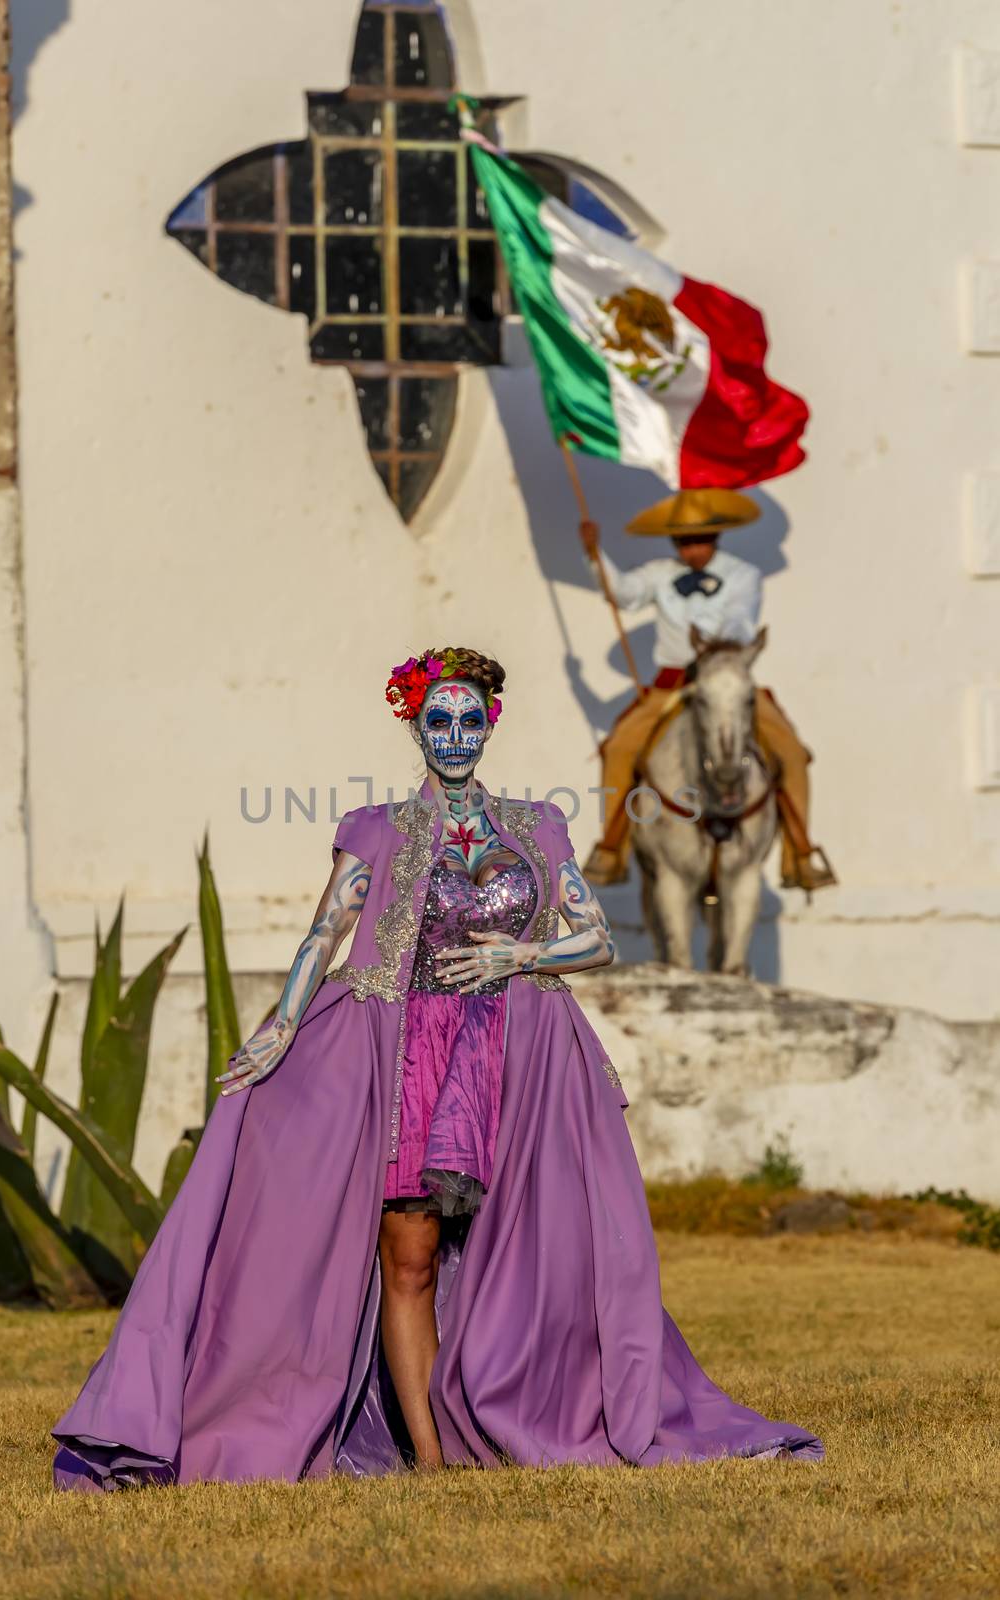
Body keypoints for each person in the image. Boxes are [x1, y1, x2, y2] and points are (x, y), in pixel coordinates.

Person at [52, 646, 822, 1488]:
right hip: (404, 1061)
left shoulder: (537, 826)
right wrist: (277, 1028)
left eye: (468, 719)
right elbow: (326, 936)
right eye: (436, 720)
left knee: (540, 1256)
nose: (453, 735)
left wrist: (519, 955)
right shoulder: (375, 830)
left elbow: (596, 938)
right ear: (414, 727)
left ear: (490, 723)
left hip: (519, 1058)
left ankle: (518, 1411)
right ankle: (426, 1455)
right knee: (409, 1257)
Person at [580, 488, 836, 893]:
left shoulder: (743, 574)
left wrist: (711, 647)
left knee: (791, 752)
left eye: (699, 539)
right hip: (673, 685)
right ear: (673, 542)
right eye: (683, 541)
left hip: (725, 681)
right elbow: (624, 594)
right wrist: (597, 556)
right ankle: (612, 848)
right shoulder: (661, 573)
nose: (691, 549)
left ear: (716, 537)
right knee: (618, 748)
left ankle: (801, 853)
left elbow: (739, 623)